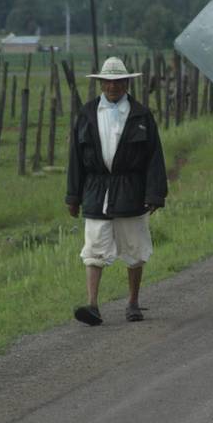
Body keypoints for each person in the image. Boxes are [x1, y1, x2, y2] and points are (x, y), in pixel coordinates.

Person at [66, 57, 167, 326]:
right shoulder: (87, 114)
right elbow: (75, 158)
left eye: (118, 82)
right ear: (100, 83)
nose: (113, 87)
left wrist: (155, 194)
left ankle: (133, 302)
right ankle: (93, 305)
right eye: (108, 82)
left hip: (131, 189)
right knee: (94, 247)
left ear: (127, 83)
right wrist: (73, 196)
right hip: (96, 190)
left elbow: (154, 156)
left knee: (134, 247)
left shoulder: (141, 115)